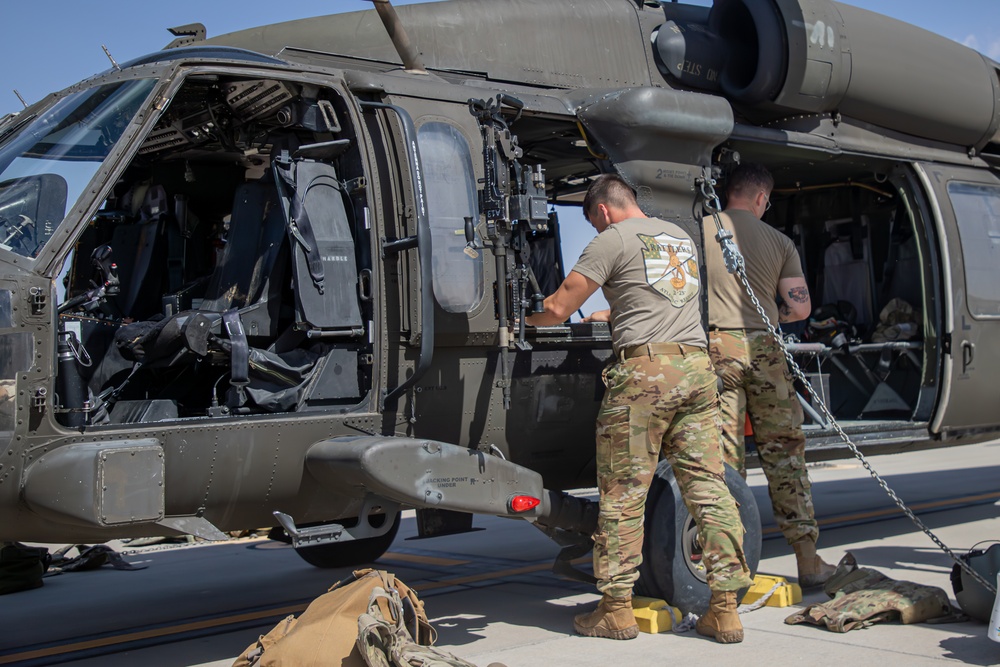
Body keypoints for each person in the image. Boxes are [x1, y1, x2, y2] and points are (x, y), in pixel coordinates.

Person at [526, 174, 752, 643]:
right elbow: (662, 299)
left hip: (645, 376)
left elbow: (558, 306)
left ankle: (615, 609)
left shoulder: (612, 239)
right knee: (708, 490)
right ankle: (725, 609)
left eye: (593, 223)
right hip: (695, 370)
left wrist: (526, 316)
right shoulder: (678, 237)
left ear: (603, 211)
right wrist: (613, 311)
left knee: (624, 494)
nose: (594, 231)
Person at [701, 162, 836, 589]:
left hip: (716, 347)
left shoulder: (699, 228)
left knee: (721, 458)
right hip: (766, 347)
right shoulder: (780, 241)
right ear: (761, 198)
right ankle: (808, 559)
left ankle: (730, 565)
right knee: (785, 454)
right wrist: (768, 316)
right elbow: (799, 309)